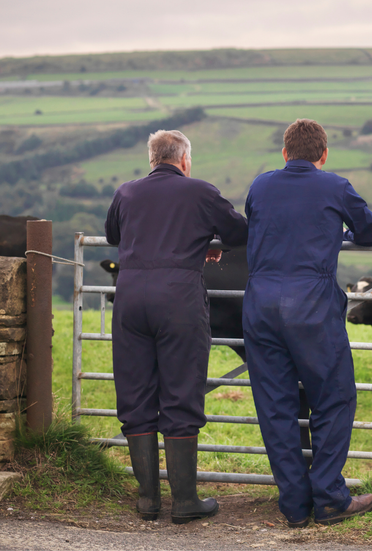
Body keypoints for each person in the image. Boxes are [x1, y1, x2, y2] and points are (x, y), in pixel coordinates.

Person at [243, 119, 372, 527]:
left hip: (261, 304)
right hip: (312, 306)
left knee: (275, 405)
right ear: (323, 155)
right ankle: (329, 497)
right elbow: (371, 231)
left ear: (285, 154)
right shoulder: (334, 186)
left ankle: (293, 505)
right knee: (334, 398)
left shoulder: (260, 186)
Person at [105, 130, 247, 524]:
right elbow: (239, 232)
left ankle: (147, 500)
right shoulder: (200, 192)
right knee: (181, 392)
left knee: (135, 395)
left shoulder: (126, 192)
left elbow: (114, 235)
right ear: (184, 160)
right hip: (178, 298)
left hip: (130, 297)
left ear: (152, 159)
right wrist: (208, 240)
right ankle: (185, 502)